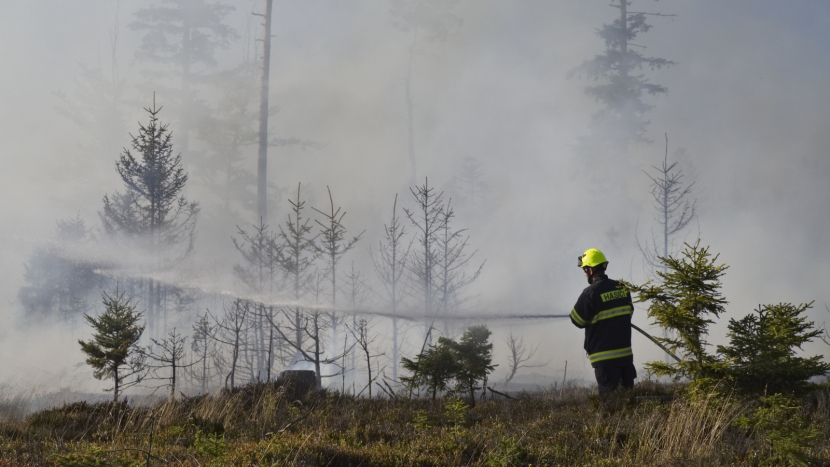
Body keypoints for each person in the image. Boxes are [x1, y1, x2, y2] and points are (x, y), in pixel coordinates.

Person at [569, 248, 636, 395]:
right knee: (629, 397)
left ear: (591, 270)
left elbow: (577, 320)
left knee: (609, 400)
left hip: (605, 360)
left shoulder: (590, 293)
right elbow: (629, 312)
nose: (584, 274)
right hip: (625, 356)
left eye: (585, 270)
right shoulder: (622, 288)